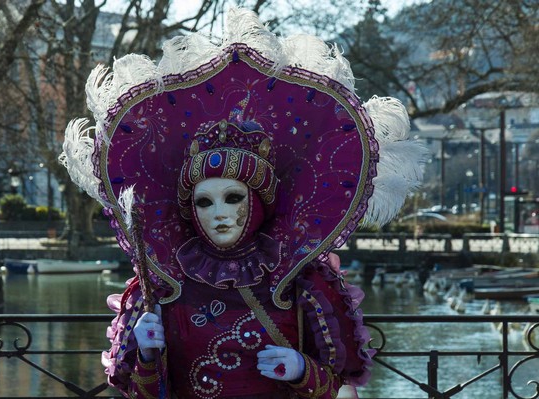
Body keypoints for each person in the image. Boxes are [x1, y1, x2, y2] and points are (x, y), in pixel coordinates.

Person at [60, 8, 425, 399]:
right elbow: (143, 391)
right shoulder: (164, 284)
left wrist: (302, 370)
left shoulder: (303, 280)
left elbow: (335, 385)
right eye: (204, 201)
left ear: (261, 202)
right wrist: (148, 354)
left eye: (233, 198)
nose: (218, 213)